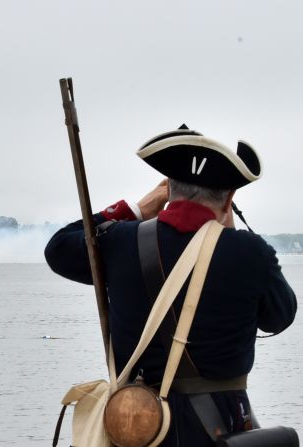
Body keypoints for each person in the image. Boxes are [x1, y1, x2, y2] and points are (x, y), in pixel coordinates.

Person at [44, 125, 297, 446]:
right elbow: (281, 316)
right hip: (220, 429)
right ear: (229, 197)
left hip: (134, 429)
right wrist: (230, 231)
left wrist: (134, 210)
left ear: (168, 189)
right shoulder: (250, 253)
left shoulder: (118, 242)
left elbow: (58, 250)